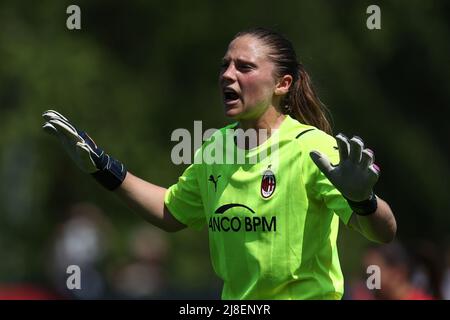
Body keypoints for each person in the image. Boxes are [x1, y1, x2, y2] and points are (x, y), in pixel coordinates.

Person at [42, 27, 396, 300]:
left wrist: (363, 201)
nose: (228, 74)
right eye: (225, 65)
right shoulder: (216, 146)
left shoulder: (313, 147)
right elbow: (172, 212)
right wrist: (103, 168)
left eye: (244, 67)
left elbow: (383, 231)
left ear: (282, 84)